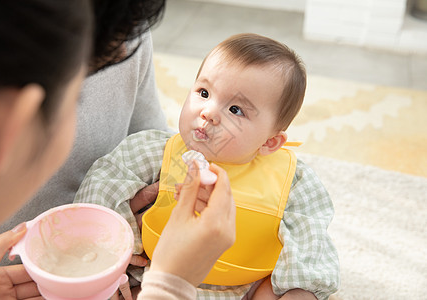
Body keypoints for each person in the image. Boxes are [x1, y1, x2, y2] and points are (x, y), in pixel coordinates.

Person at [0, 1, 236, 299]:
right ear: (10, 128)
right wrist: (170, 284)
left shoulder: (123, 29)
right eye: (76, 101)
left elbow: (150, 135)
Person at [75, 33, 340, 299]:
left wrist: (301, 289)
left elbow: (311, 246)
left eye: (236, 110)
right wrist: (123, 245)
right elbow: (100, 189)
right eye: (204, 93)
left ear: (270, 142)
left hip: (245, 288)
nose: (209, 112)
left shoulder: (292, 180)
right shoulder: (156, 150)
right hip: (156, 279)